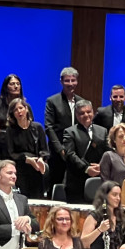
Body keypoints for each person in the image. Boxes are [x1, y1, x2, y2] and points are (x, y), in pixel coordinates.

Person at [44, 67, 83, 198]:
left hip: (76, 152)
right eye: (67, 80)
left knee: (75, 188)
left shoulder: (81, 101)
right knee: (54, 185)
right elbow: (49, 127)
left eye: (73, 80)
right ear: (61, 81)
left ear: (77, 81)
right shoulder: (52, 101)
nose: (70, 84)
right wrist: (60, 149)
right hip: (57, 152)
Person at [60, 100, 109, 203]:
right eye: (82, 113)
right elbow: (70, 154)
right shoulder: (69, 132)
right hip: (75, 182)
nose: (86, 115)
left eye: (89, 112)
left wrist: (101, 166)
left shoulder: (103, 131)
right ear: (76, 115)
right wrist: (86, 168)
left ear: (93, 112)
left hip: (98, 180)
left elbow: (108, 153)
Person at [81, 181, 125, 249]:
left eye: (119, 195)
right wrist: (99, 230)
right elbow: (83, 243)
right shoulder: (94, 216)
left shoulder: (119, 217)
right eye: (114, 195)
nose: (118, 198)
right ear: (105, 196)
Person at [4, 98, 48, 199]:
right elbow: (10, 153)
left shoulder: (37, 127)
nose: (19, 111)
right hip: (20, 170)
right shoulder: (11, 131)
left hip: (36, 170)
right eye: (15, 110)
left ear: (26, 109)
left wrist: (41, 158)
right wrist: (26, 159)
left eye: (21, 108)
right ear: (12, 114)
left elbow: (44, 150)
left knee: (37, 199)